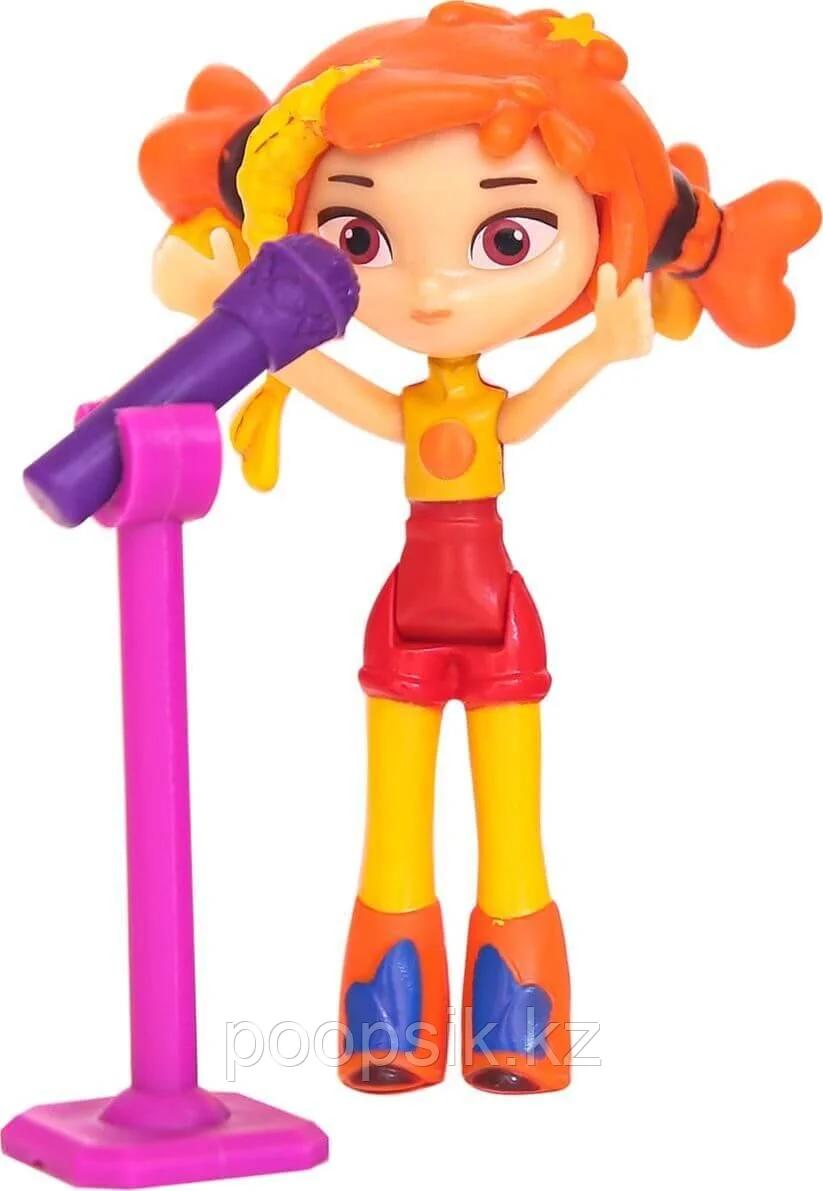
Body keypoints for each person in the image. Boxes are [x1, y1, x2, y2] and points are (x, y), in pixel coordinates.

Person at [139, 4, 820, 1094]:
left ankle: (517, 1038)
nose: (431, 292)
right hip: (404, 621)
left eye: (506, 241)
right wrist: (236, 311)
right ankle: (388, 1039)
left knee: (513, 831)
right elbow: (315, 376)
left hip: (500, 622)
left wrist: (598, 350)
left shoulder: (485, 404)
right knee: (391, 828)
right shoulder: (413, 410)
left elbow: (525, 415)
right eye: (360, 239)